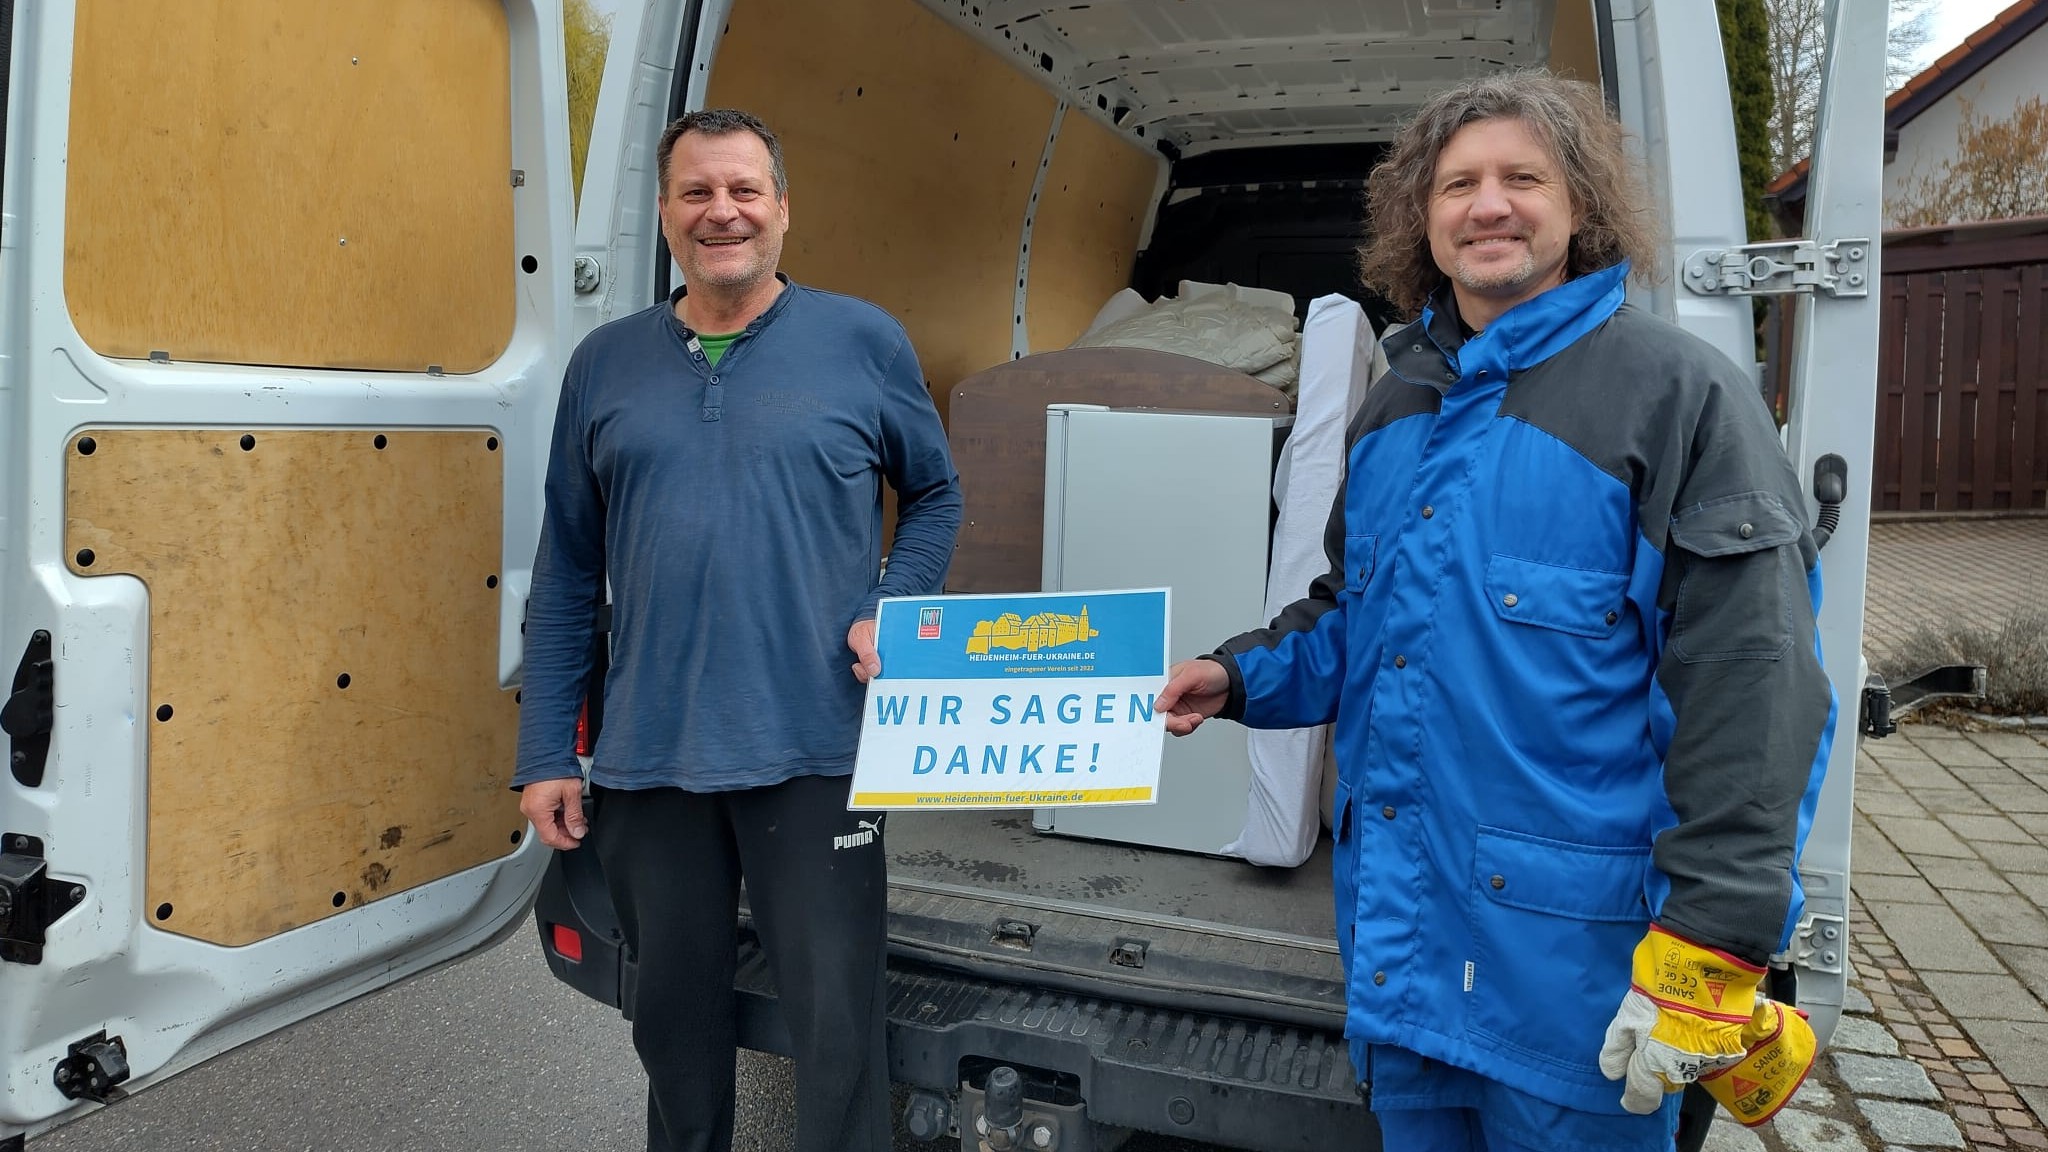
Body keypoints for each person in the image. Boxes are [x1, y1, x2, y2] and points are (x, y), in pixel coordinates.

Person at [1153, 71, 1835, 1151]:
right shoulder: (1395, 407)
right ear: (1419, 217)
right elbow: (1358, 620)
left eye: (1523, 178)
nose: (1488, 206)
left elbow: (1753, 688)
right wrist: (1237, 678)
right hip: (1404, 955)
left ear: (1581, 205)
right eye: (1457, 184)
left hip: (1576, 989)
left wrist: (1712, 942)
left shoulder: (1679, 396)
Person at [512, 108, 963, 1152]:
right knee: (672, 1032)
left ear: (782, 209)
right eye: (697, 192)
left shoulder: (862, 342)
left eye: (744, 190)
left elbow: (935, 496)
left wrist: (891, 601)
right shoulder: (604, 363)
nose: (723, 212)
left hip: (818, 748)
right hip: (650, 758)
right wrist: (546, 752)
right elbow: (568, 566)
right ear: (665, 213)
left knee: (837, 1034)